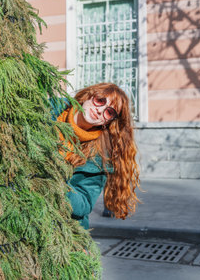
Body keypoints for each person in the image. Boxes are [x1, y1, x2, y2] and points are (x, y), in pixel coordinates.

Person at [52, 83, 140, 229]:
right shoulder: (47, 111)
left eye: (109, 112)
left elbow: (83, 205)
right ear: (89, 96)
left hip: (63, 228)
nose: (100, 110)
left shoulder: (99, 157)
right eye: (100, 100)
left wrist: (55, 184)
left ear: (108, 122)